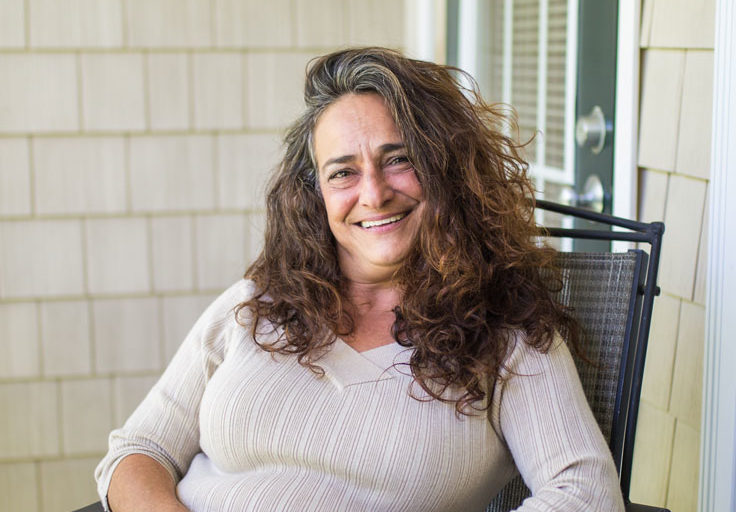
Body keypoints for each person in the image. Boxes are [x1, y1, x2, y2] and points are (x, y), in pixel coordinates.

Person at [95, 47, 623, 512]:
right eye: (343, 171)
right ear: (314, 193)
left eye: (399, 160)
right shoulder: (256, 305)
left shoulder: (505, 333)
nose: (373, 194)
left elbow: (584, 493)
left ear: (446, 170)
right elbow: (140, 450)